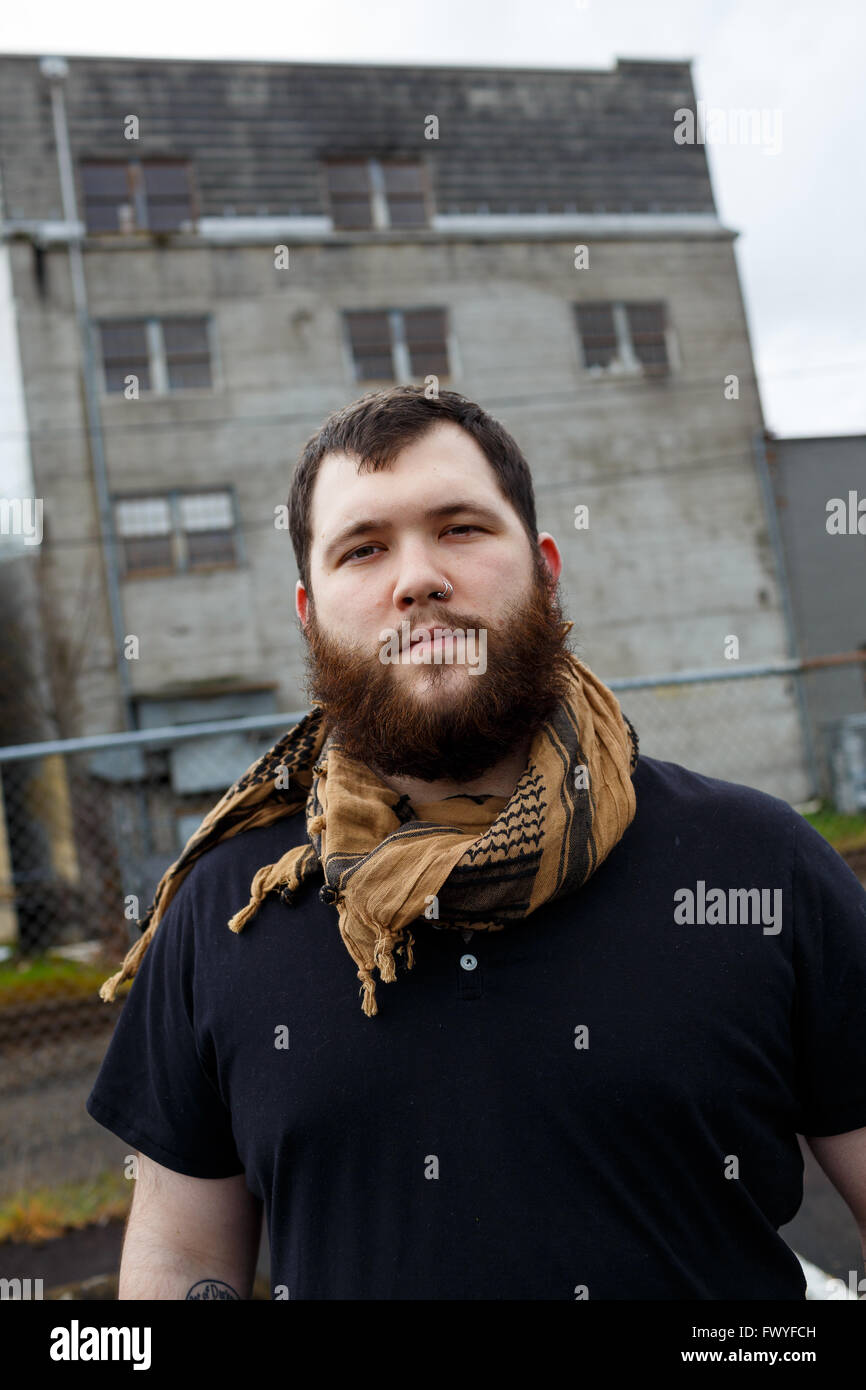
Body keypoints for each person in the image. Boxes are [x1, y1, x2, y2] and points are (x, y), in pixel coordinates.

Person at [87, 386, 866, 1300]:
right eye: (364, 548)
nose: (416, 578)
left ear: (544, 568)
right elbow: (179, 1263)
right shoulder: (228, 911)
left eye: (460, 529)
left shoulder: (756, 864)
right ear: (309, 612)